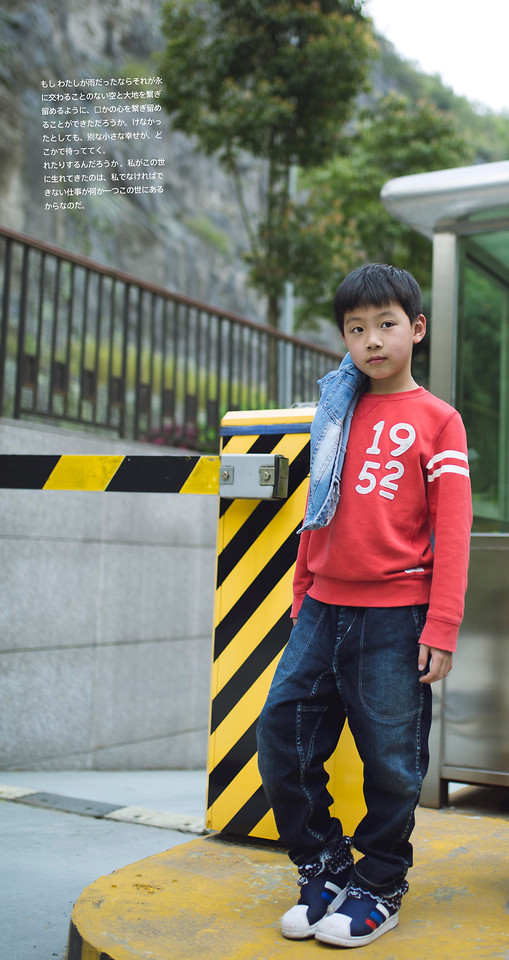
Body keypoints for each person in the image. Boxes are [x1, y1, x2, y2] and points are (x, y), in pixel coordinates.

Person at [256, 263, 472, 948]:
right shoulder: (336, 411)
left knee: (391, 762)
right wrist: (300, 590)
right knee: (280, 737)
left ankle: (380, 883)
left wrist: (440, 623)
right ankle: (322, 866)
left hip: (396, 616)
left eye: (385, 324)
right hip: (321, 608)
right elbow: (316, 512)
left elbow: (453, 528)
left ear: (415, 328)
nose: (371, 340)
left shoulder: (438, 421)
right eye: (356, 329)